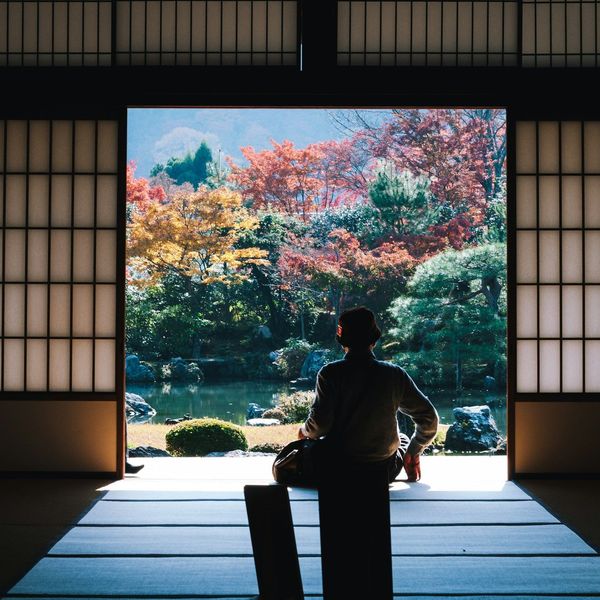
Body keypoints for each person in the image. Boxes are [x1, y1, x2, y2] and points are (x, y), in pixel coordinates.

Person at [297, 306, 438, 482]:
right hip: (382, 470)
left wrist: (304, 431)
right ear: (375, 340)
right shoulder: (394, 374)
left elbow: (320, 425)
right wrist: (414, 449)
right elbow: (429, 418)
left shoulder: (330, 373)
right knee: (401, 438)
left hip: (336, 468)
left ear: (342, 342)